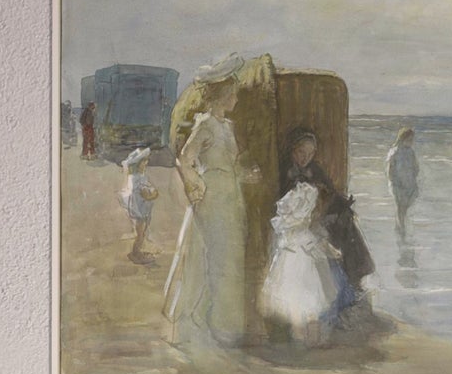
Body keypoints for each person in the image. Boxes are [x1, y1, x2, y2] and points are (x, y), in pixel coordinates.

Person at [163, 56, 249, 347]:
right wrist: (196, 184)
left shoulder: (228, 126)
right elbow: (184, 160)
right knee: (210, 257)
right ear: (221, 94)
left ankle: (221, 322)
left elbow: (230, 163)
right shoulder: (206, 125)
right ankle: (200, 320)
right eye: (233, 92)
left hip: (230, 195)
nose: (236, 98)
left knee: (228, 260)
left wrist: (245, 176)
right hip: (212, 197)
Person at [280, 129, 374, 310]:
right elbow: (289, 204)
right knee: (335, 229)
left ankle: (358, 273)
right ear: (293, 149)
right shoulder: (287, 170)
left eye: (309, 154)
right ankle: (349, 282)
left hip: (319, 214)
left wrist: (342, 205)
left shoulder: (314, 169)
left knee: (347, 223)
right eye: (301, 153)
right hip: (302, 220)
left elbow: (330, 193)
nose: (304, 158)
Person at [258, 182, 340, 346]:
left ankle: (299, 337)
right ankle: (310, 339)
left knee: (294, 304)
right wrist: (333, 252)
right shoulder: (304, 236)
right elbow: (318, 247)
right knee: (311, 305)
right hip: (304, 274)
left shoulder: (287, 235)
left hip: (288, 272)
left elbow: (280, 251)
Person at [118, 146, 159, 263]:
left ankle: (137, 252)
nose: (146, 163)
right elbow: (145, 193)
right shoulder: (136, 178)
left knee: (142, 232)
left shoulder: (138, 176)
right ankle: (136, 254)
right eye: (144, 161)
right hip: (138, 210)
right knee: (140, 234)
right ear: (137, 164)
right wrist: (153, 195)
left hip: (141, 208)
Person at [386, 127, 420, 239]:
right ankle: (401, 228)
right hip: (398, 184)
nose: (411, 142)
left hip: (409, 183)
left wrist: (414, 175)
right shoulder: (395, 151)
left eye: (412, 140)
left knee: (405, 206)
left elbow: (415, 166)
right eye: (409, 139)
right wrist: (394, 181)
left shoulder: (411, 152)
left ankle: (399, 224)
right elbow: (390, 169)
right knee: (400, 205)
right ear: (402, 138)